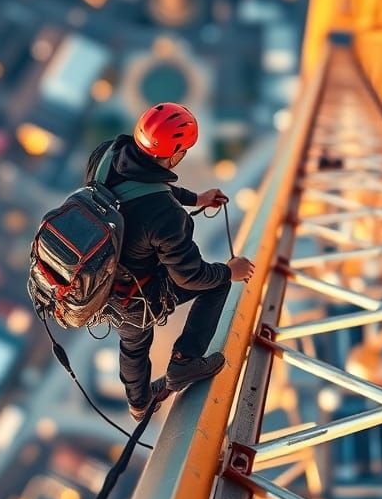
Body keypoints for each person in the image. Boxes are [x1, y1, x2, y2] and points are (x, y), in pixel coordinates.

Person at [85, 102, 255, 420]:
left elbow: (137, 188)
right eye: (184, 150)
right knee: (215, 283)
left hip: (96, 275)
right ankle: (184, 362)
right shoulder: (166, 217)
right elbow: (191, 277)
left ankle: (138, 403)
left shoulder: (107, 154)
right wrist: (230, 271)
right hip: (135, 294)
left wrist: (196, 198)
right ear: (174, 153)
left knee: (132, 345)